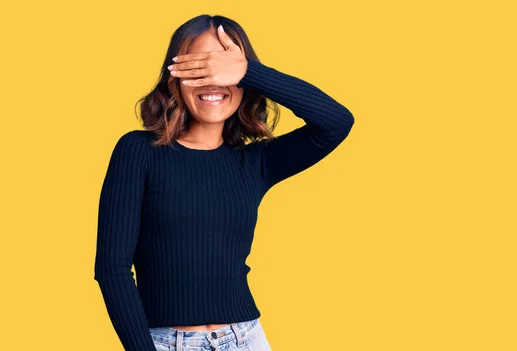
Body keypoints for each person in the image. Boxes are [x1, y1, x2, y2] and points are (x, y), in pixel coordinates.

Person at [93, 14, 354, 351]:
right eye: (200, 68)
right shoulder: (138, 151)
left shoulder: (254, 162)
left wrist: (250, 72)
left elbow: (336, 122)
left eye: (224, 69)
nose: (213, 81)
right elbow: (111, 268)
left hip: (246, 339)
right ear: (175, 78)